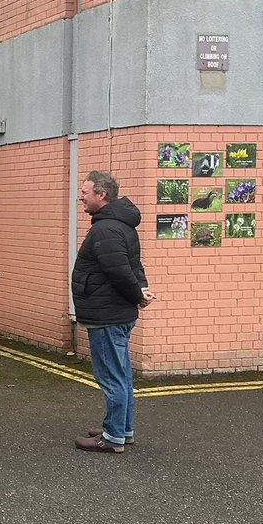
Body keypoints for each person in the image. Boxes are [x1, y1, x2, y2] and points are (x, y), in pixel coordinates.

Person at [71, 171, 156, 453]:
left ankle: (112, 438)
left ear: (101, 195)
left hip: (107, 315)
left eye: (85, 192)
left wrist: (136, 294)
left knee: (111, 376)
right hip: (116, 312)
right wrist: (140, 291)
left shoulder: (106, 229)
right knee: (121, 375)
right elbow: (134, 267)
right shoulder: (120, 225)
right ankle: (121, 428)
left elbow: (119, 271)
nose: (80, 196)